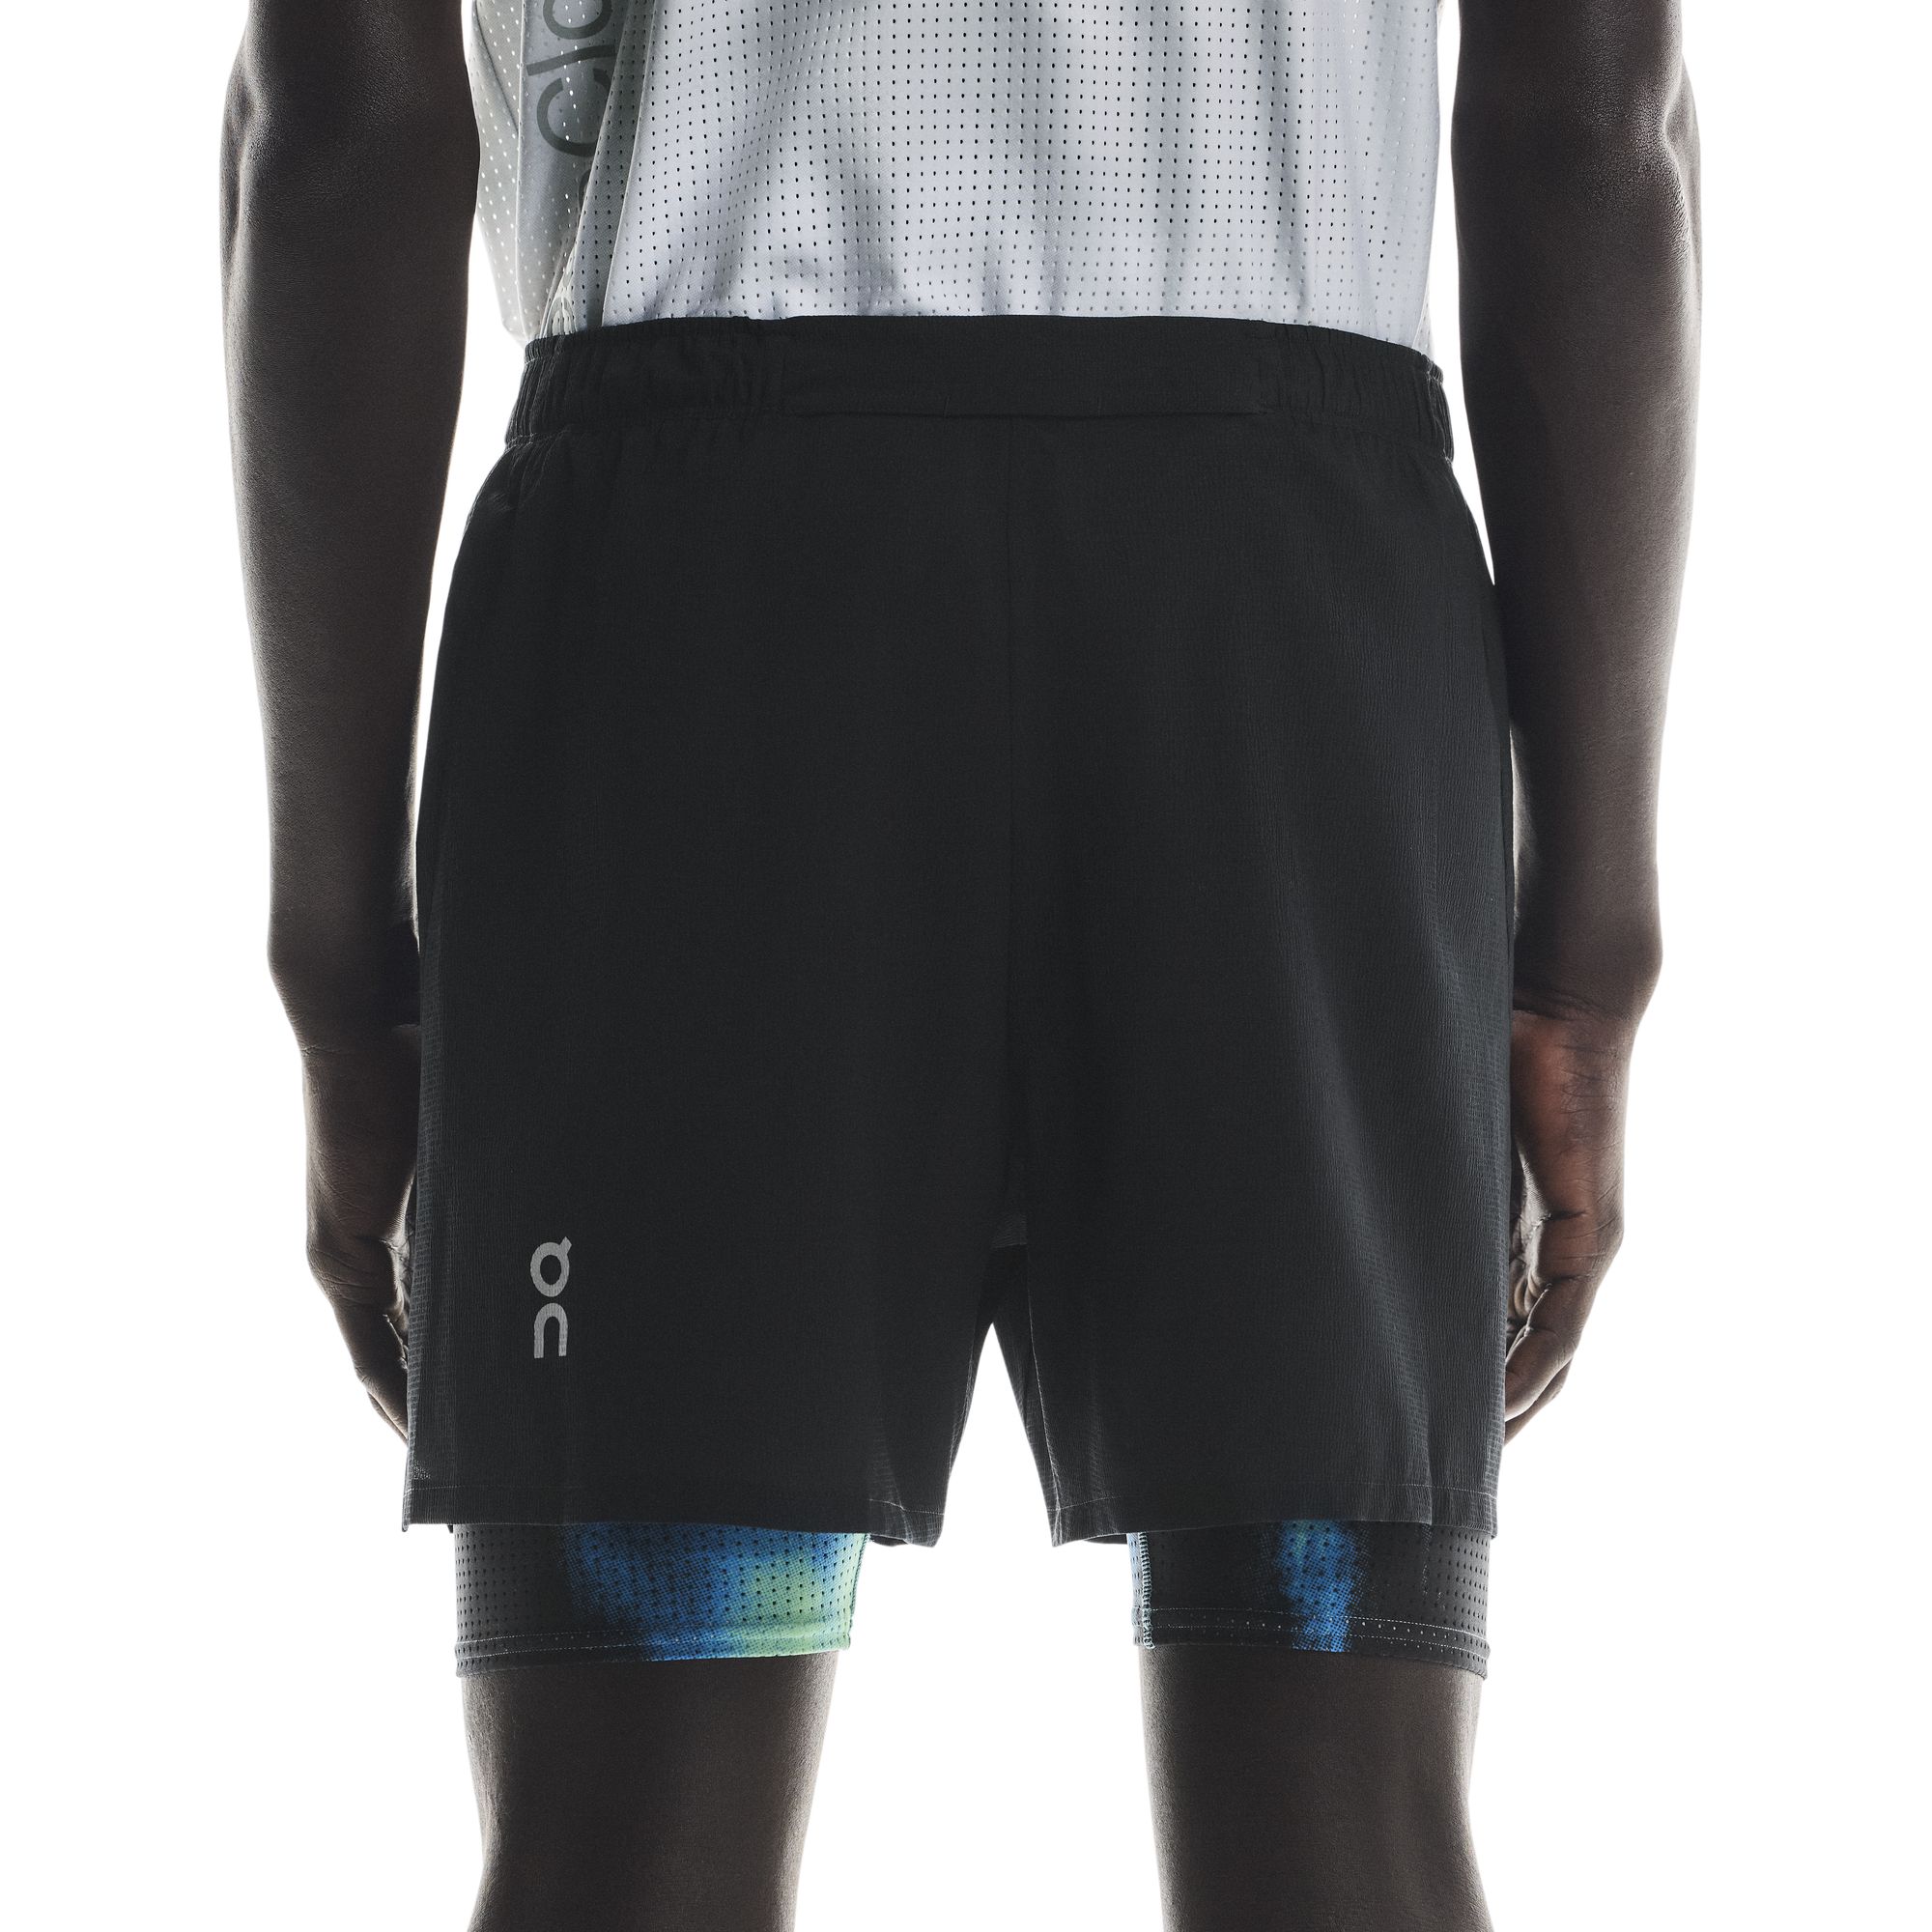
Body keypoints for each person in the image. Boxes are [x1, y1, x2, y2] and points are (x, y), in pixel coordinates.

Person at [222, 0, 1698, 1924]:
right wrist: (1585, 944)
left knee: (624, 1847)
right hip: (1276, 611)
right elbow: (1590, 126)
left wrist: (343, 966)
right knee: (1347, 1835)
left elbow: (338, 121)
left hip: (699, 591)